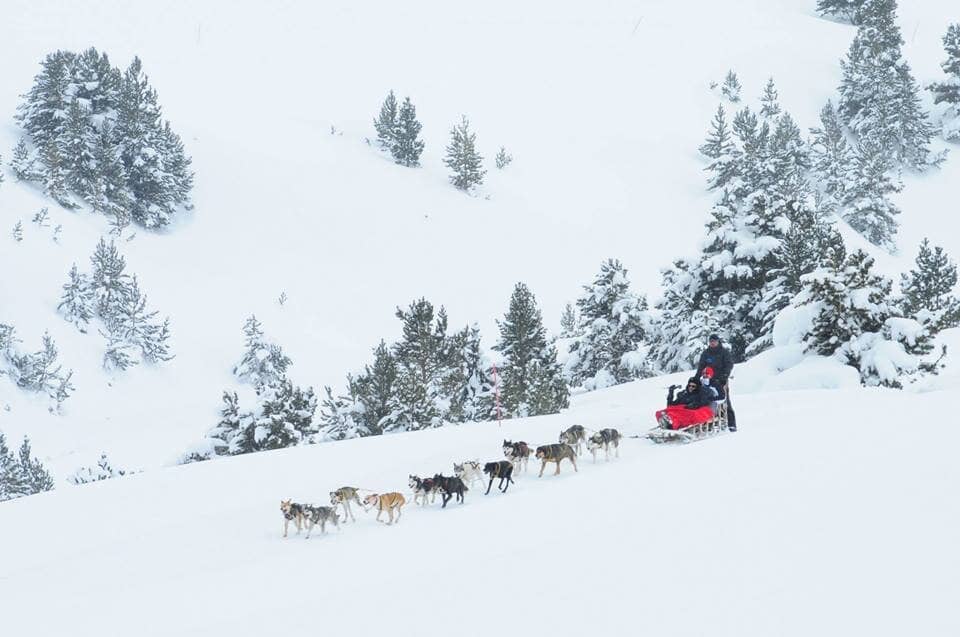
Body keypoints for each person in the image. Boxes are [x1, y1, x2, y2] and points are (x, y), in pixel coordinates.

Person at [696, 334, 736, 431]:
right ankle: (709, 420)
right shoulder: (706, 353)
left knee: (725, 401)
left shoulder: (724, 352)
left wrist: (725, 376)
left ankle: (731, 424)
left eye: (714, 341)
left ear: (718, 342)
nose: (712, 343)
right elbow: (701, 366)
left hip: (721, 380)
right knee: (707, 398)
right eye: (711, 341)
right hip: (708, 379)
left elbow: (729, 365)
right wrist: (696, 378)